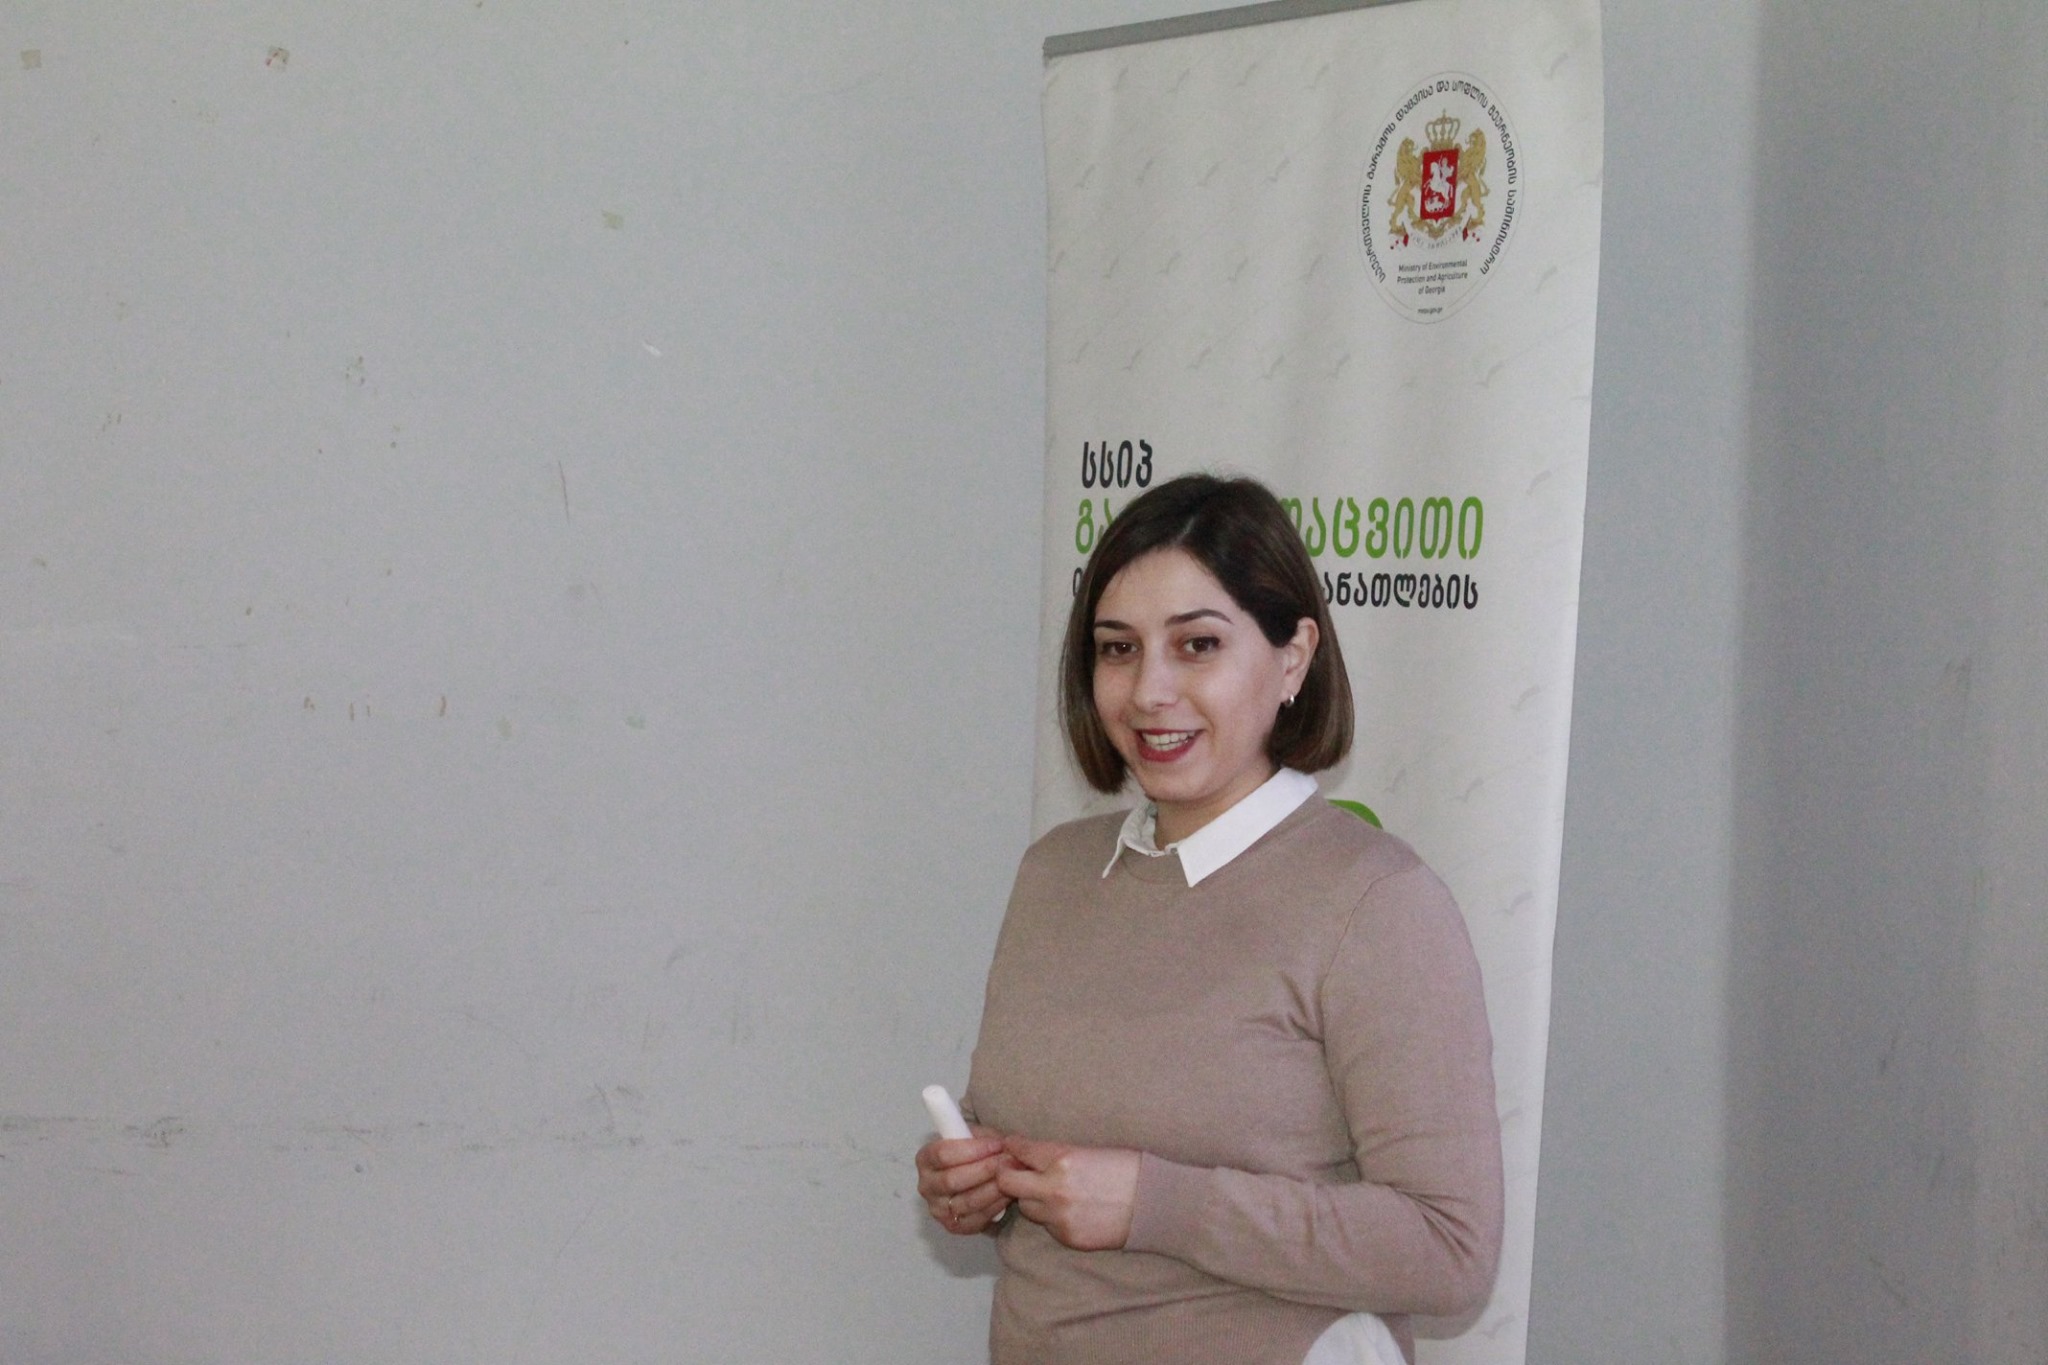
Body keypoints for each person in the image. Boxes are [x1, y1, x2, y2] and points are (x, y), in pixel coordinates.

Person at [916, 474, 1503, 1365]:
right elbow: (1046, 1142)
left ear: (1294, 657)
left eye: (1197, 645)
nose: (1149, 690)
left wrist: (1157, 1204)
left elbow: (1449, 1247)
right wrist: (977, 1182)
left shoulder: (1376, 902)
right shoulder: (1054, 872)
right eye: (1118, 649)